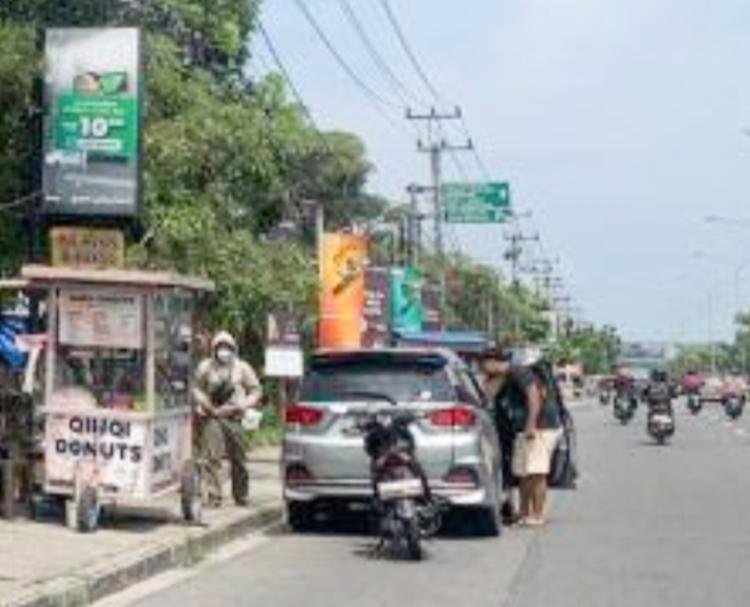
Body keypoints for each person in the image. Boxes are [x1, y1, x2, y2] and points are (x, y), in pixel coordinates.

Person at [481, 348, 561, 527]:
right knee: (524, 473)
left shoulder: (519, 371)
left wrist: (531, 425)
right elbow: (487, 396)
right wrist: (491, 378)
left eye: (484, 365)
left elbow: (534, 396)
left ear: (492, 361)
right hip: (522, 429)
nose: (483, 369)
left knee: (536, 472)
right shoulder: (507, 375)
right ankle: (524, 513)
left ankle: (538, 514)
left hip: (539, 427)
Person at [193, 331, 262, 507]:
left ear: (233, 349)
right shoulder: (206, 367)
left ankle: (241, 495)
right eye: (220, 347)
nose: (223, 351)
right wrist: (203, 403)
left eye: (227, 347)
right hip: (213, 416)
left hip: (235, 416)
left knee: (239, 459)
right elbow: (196, 388)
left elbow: (256, 390)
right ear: (214, 349)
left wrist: (245, 404)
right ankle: (214, 496)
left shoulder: (242, 367)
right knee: (212, 458)